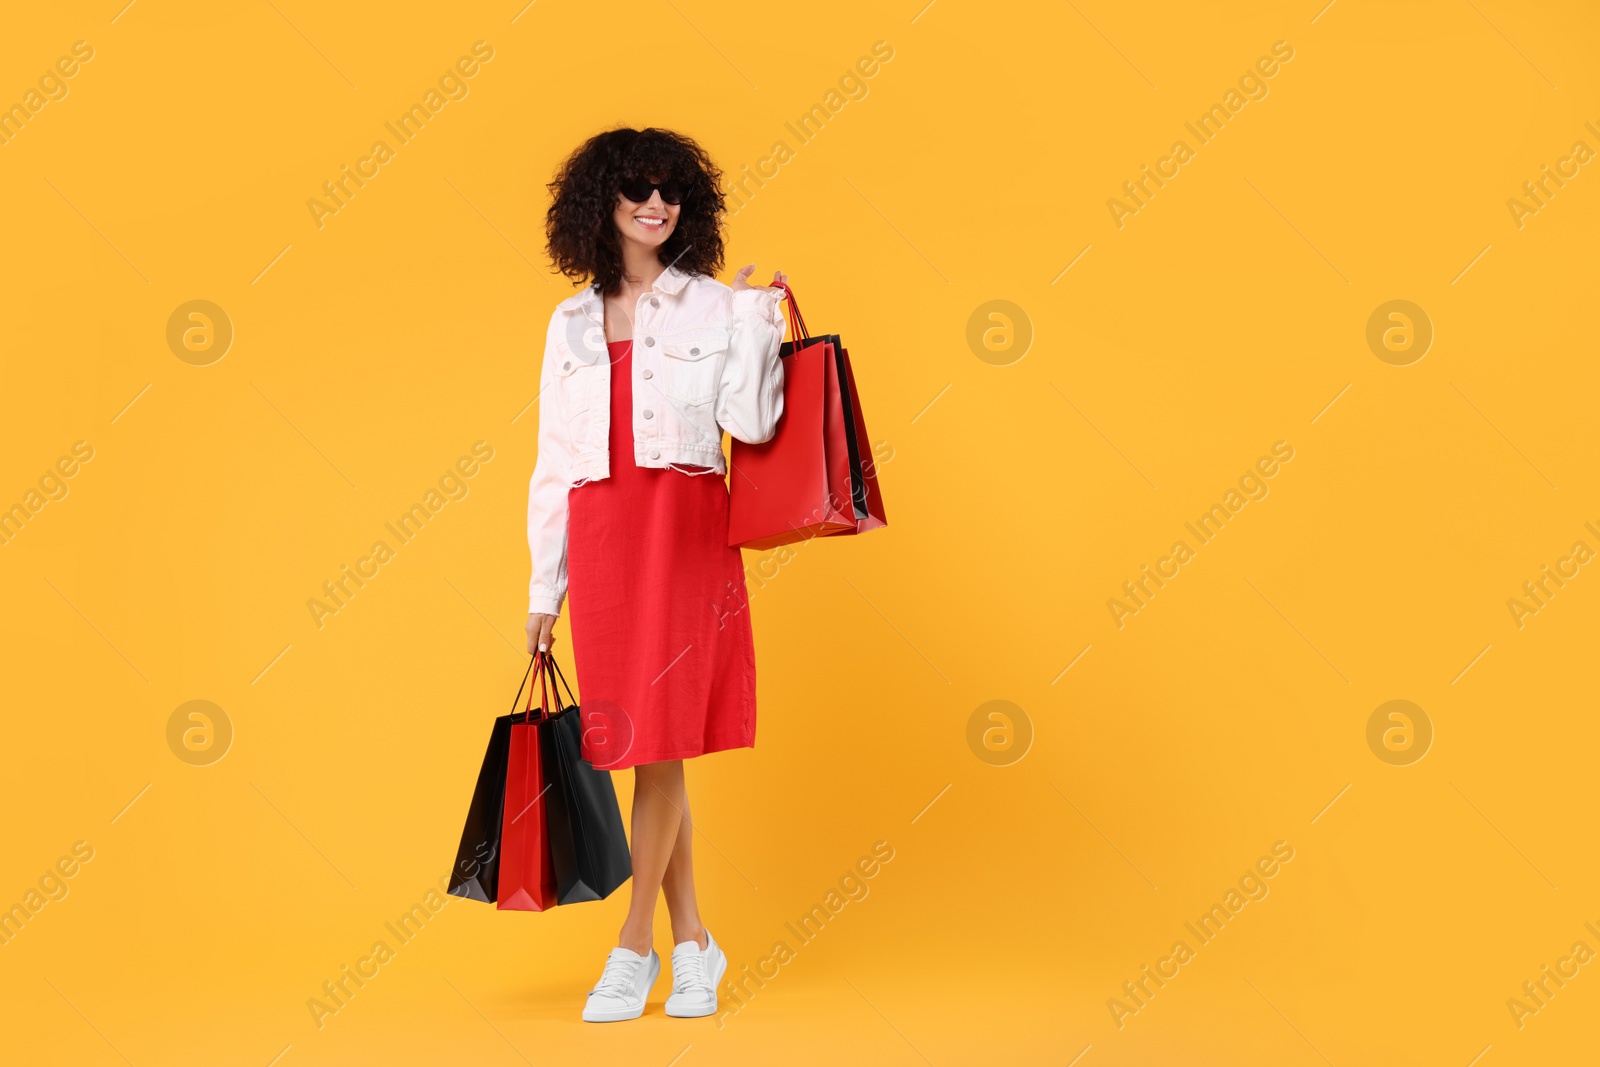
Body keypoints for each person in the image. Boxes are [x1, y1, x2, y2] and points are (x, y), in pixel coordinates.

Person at [526, 126, 787, 1022]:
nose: (656, 202)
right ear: (601, 200)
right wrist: (541, 592)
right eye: (637, 186)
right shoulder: (567, 321)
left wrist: (755, 326)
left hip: (682, 528)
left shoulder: (715, 307)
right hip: (602, 535)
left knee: (660, 738)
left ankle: (633, 946)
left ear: (689, 208)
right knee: (637, 741)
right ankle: (696, 942)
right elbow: (552, 463)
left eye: (671, 190)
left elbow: (750, 427)